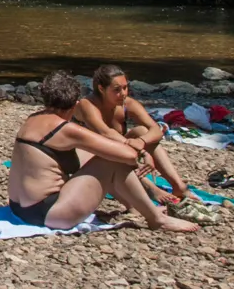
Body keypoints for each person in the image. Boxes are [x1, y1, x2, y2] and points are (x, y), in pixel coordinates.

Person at [8, 72, 198, 232]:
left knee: (100, 155)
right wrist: (143, 153)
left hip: (20, 208)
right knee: (115, 160)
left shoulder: (34, 118)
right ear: (75, 103)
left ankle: (134, 206)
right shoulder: (65, 129)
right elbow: (127, 155)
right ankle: (156, 218)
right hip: (49, 213)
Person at [75, 64, 191, 205]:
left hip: (119, 149)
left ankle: (178, 186)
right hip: (87, 154)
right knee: (114, 148)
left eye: (125, 87)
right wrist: (141, 151)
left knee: (142, 131)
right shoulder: (87, 104)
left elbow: (155, 129)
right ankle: (150, 188)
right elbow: (105, 132)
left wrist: (141, 141)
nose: (123, 93)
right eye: (117, 90)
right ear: (101, 89)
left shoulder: (127, 104)